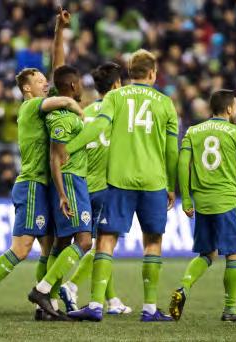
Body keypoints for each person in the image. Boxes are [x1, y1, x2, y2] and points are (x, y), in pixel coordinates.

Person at [0, 9, 85, 322]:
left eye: (47, 82)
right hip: (32, 183)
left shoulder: (41, 100)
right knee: (21, 248)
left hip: (46, 185)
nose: (47, 84)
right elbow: (58, 99)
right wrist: (73, 103)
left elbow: (58, 65)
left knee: (48, 251)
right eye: (40, 81)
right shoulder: (31, 107)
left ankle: (42, 306)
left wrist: (59, 30)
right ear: (27, 88)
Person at [67, 49, 179, 322]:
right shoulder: (166, 103)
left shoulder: (115, 97)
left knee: (106, 239)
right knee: (153, 241)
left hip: (118, 181)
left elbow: (96, 128)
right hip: (153, 181)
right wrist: (173, 186)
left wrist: (67, 148)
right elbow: (172, 151)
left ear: (129, 73)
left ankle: (95, 305)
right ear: (153, 73)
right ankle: (150, 308)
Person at [169, 89, 236, 322]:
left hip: (202, 202)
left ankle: (183, 287)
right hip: (226, 199)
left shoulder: (193, 131)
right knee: (234, 254)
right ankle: (230, 308)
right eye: (235, 106)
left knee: (207, 253)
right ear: (229, 109)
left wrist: (186, 199)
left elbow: (183, 164)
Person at [59, 63, 131, 316]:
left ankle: (111, 300)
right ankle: (71, 285)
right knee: (104, 245)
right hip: (106, 185)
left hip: (82, 185)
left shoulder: (86, 112)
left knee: (101, 243)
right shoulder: (118, 113)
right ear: (116, 86)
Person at [27, 64, 93, 320]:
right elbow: (57, 158)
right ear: (74, 86)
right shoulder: (63, 119)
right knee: (85, 241)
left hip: (70, 182)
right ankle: (42, 291)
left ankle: (47, 304)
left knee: (62, 243)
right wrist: (64, 193)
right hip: (71, 181)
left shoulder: (63, 114)